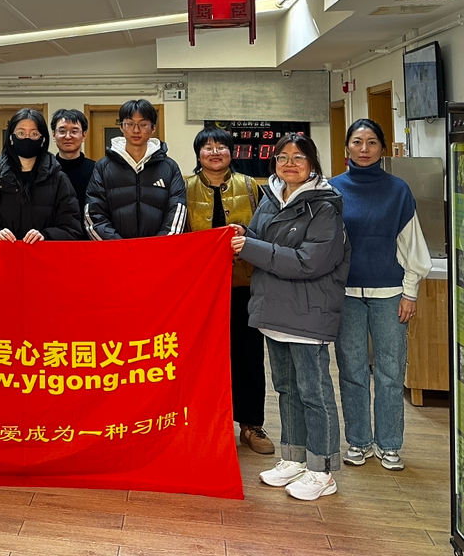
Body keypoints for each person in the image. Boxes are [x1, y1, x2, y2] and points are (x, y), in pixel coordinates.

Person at [231, 133, 350, 501]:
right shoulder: (271, 198)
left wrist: (250, 246)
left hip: (308, 313)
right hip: (274, 310)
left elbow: (309, 261)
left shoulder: (325, 207)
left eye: (298, 157)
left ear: (312, 162)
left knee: (315, 394)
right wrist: (244, 234)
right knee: (287, 390)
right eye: (282, 157)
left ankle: (323, 470)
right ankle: (295, 458)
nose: (289, 164)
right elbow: (262, 240)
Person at [329, 118, 432, 472]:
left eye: (372, 142)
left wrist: (410, 293)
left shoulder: (398, 190)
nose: (364, 149)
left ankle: (389, 444)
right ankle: (358, 441)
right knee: (351, 370)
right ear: (347, 147)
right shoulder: (331, 189)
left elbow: (413, 245)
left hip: (390, 294)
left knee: (390, 371)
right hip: (345, 294)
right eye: (357, 142)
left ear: (383, 148)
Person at [185, 127, 273, 454]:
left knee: (248, 354)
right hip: (201, 288)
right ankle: (205, 423)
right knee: (202, 358)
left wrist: (245, 231)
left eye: (221, 146)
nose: (215, 152)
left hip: (244, 284)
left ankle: (251, 424)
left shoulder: (250, 186)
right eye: (207, 147)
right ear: (198, 154)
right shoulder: (184, 187)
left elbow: (265, 231)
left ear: (231, 152)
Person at [84, 98, 186, 239]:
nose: (136, 130)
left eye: (143, 124)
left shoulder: (169, 167)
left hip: (158, 249)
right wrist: (120, 247)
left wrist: (158, 247)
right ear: (121, 127)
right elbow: (94, 214)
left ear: (153, 128)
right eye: (129, 124)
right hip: (115, 250)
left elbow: (177, 212)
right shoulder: (103, 167)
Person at [0, 109, 82, 243]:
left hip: (44, 253)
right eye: (21, 133)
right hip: (4, 253)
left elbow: (72, 227)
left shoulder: (58, 179)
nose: (27, 138)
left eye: (34, 134)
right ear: (11, 138)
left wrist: (46, 235)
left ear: (43, 140)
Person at [51, 108, 95, 216]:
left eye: (74, 131)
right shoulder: (46, 170)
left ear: (84, 135)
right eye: (62, 131)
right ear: (53, 135)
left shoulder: (96, 170)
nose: (68, 136)